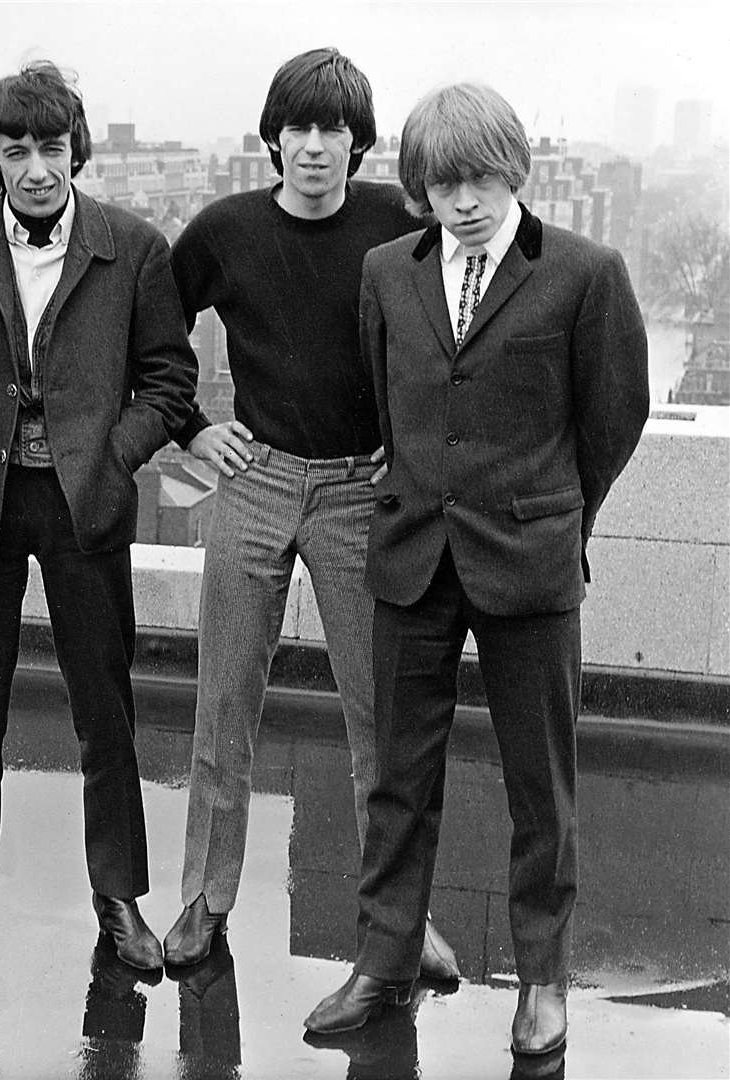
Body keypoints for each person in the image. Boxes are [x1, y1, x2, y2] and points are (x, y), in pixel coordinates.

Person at [303, 83, 649, 1055]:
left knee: (541, 787)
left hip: (528, 564)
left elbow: (611, 417)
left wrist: (553, 512)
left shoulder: (585, 273)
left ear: (515, 171)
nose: (462, 203)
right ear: (418, 189)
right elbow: (386, 397)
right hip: (412, 559)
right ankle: (383, 961)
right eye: (441, 184)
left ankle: (542, 983)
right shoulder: (385, 273)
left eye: (479, 180)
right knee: (396, 782)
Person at [162, 47, 458, 978]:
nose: (315, 145)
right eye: (299, 126)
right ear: (274, 137)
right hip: (252, 480)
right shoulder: (223, 231)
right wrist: (191, 430)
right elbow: (147, 334)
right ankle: (204, 905)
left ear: (359, 142)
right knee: (223, 708)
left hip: (355, 493)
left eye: (334, 129)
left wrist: (405, 447)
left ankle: (400, 926)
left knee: (380, 718)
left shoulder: (394, 224)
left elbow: (455, 329)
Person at [0, 62, 197, 970]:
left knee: (103, 709)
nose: (35, 167)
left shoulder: (132, 247)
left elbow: (170, 381)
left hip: (86, 505)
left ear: (77, 151)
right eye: (15, 149)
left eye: (52, 148)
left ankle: (117, 899)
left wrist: (113, 452)